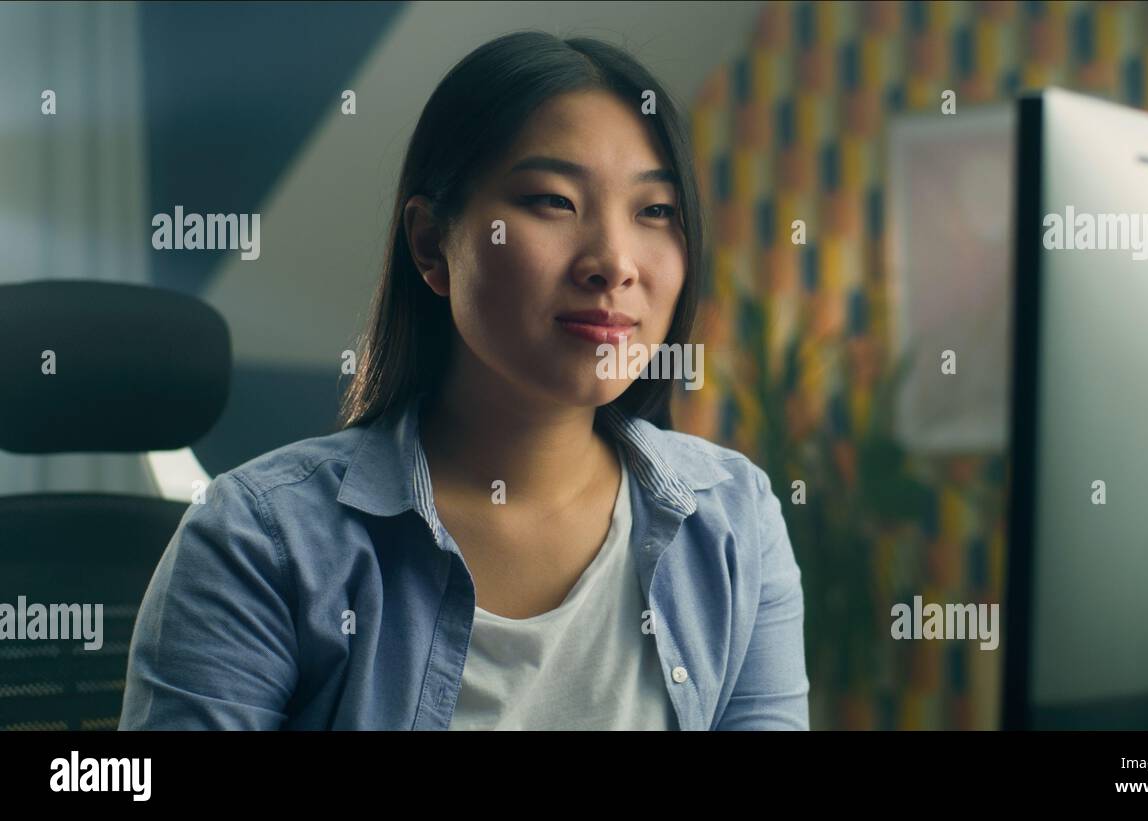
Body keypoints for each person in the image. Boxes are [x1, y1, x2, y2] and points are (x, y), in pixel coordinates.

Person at [119, 30, 808, 731]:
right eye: (553, 200)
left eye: (655, 210)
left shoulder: (731, 522)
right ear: (430, 244)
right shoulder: (261, 542)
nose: (613, 261)